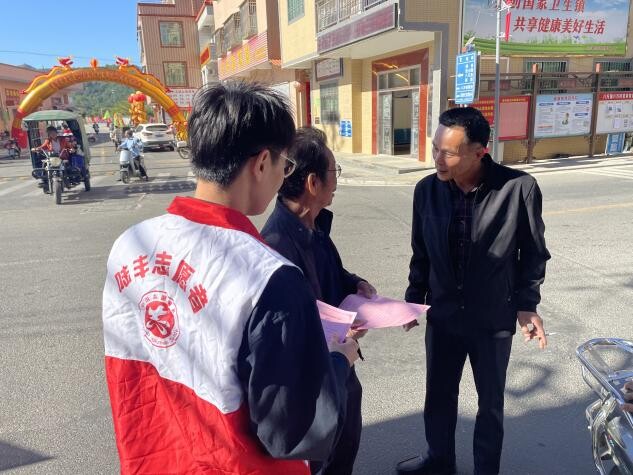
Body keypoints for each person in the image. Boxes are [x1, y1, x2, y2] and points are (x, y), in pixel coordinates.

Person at [102, 81, 360, 474]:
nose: (283, 177)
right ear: (262, 163)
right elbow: (292, 430)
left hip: (152, 459)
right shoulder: (268, 275)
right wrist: (339, 361)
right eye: (284, 165)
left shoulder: (129, 246)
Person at [396, 107, 551, 475]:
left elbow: (533, 253)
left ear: (480, 152)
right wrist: (414, 299)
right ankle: (439, 460)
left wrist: (527, 305)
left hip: (492, 317)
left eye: (448, 152)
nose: (438, 159)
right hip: (444, 315)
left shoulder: (518, 188)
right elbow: (422, 252)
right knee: (439, 396)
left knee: (490, 404)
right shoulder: (426, 190)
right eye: (435, 148)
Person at [261, 127, 376, 475]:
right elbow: (288, 332)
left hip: (341, 363)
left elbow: (332, 273)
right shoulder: (276, 245)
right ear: (313, 183)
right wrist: (339, 337)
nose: (336, 180)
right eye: (333, 171)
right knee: (323, 461)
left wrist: (355, 283)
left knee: (345, 445)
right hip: (316, 378)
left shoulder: (313, 226)